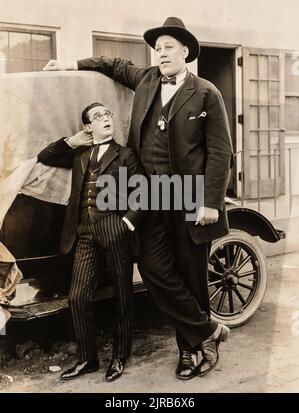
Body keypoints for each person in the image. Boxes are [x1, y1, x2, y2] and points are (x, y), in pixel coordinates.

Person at [43, 16, 234, 380]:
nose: (161, 53)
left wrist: (211, 201)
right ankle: (208, 330)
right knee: (152, 267)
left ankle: (191, 352)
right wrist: (72, 62)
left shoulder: (206, 92)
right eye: (157, 48)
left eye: (168, 48)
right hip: (150, 195)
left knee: (191, 275)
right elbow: (113, 65)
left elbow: (221, 152)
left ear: (185, 52)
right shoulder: (146, 79)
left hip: (190, 197)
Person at [38, 102, 144, 382]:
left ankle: (120, 357)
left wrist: (127, 223)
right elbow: (45, 155)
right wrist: (71, 142)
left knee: (123, 296)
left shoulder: (126, 155)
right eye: (98, 116)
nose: (106, 118)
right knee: (78, 297)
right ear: (88, 127)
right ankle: (88, 358)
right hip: (83, 233)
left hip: (115, 229)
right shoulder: (79, 155)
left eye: (108, 114)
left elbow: (143, 191)